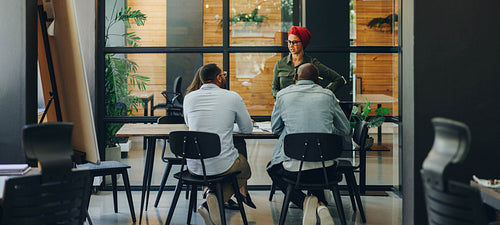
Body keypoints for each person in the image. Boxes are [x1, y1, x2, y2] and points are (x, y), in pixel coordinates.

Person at [267, 63, 350, 225]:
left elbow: (276, 128)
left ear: (295, 77)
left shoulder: (283, 95)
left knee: (273, 169)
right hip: (326, 168)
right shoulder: (328, 96)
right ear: (318, 81)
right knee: (316, 164)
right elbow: (345, 129)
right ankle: (320, 205)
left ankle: (306, 202)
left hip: (294, 169)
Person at [183, 63, 255, 225]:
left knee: (211, 169)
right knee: (245, 170)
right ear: (218, 78)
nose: (224, 77)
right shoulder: (232, 96)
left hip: (194, 166)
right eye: (223, 75)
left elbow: (189, 123)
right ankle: (210, 203)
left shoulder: (189, 98)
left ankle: (210, 194)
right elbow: (247, 128)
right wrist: (229, 124)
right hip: (222, 165)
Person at [272, 26, 346, 99]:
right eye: (289, 42)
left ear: (303, 43)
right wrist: (282, 97)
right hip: (285, 108)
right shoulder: (280, 64)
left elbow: (339, 80)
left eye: (294, 42)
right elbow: (274, 90)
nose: (291, 45)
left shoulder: (312, 64)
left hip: (307, 108)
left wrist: (322, 95)